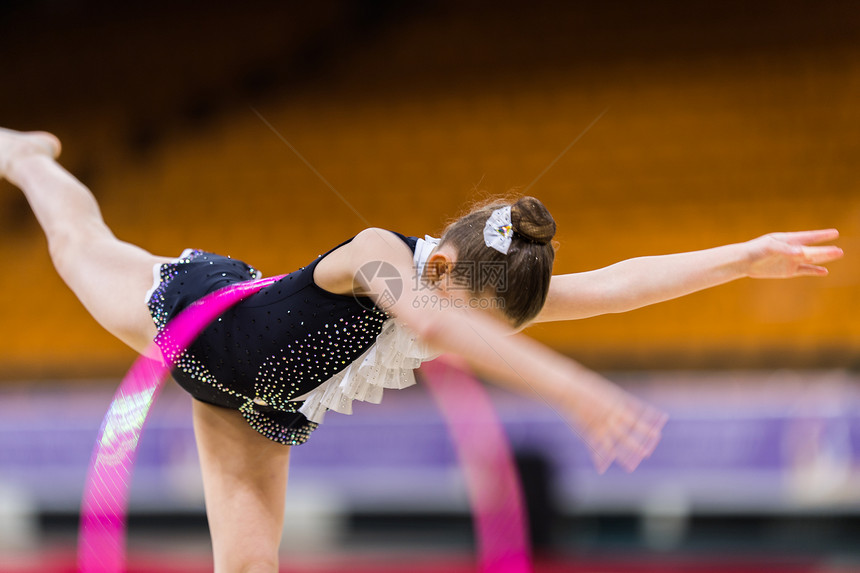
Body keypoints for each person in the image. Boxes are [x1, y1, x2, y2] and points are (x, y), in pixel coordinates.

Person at [0, 128, 843, 572]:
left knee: (252, 565)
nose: (482, 344)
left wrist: (744, 256)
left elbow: (619, 282)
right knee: (77, 238)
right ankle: (29, 159)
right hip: (196, 318)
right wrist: (577, 391)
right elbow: (441, 328)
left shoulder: (463, 285)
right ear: (437, 262)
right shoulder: (378, 255)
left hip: (258, 409)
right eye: (481, 323)